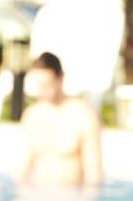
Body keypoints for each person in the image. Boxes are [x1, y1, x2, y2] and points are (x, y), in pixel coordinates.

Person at [13, 51, 103, 188]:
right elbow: (25, 164)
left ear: (60, 78)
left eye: (47, 85)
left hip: (70, 198)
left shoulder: (84, 115)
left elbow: (94, 173)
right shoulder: (32, 115)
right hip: (36, 196)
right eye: (38, 85)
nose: (42, 91)